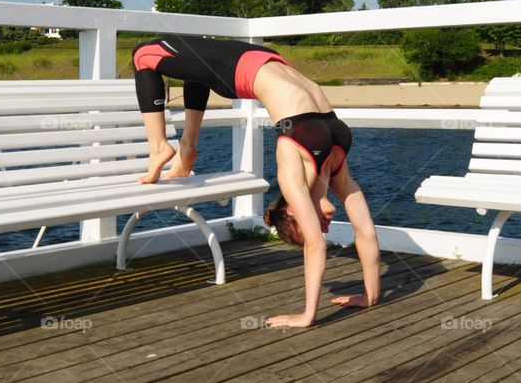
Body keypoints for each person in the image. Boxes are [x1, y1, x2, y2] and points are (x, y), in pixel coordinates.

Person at [131, 33, 380, 328]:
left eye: (313, 226)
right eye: (320, 228)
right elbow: (365, 231)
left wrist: (306, 315)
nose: (322, 229)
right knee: (178, 65)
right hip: (264, 67)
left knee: (143, 54)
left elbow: (315, 246)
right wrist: (370, 295)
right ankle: (179, 150)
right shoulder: (332, 167)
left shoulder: (293, 173)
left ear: (292, 210)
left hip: (245, 69)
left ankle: (173, 148)